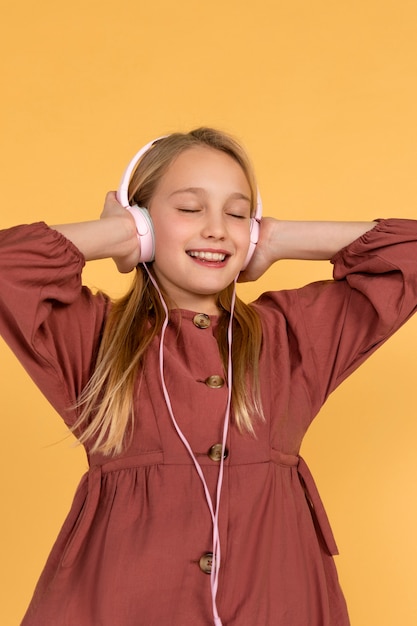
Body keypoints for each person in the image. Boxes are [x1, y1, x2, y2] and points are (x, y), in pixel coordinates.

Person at [0, 127, 416, 626]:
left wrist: (280, 237)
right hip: (121, 603)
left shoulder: (291, 338)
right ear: (144, 222)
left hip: (277, 601)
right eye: (191, 209)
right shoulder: (93, 339)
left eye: (238, 214)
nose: (218, 229)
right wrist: (117, 234)